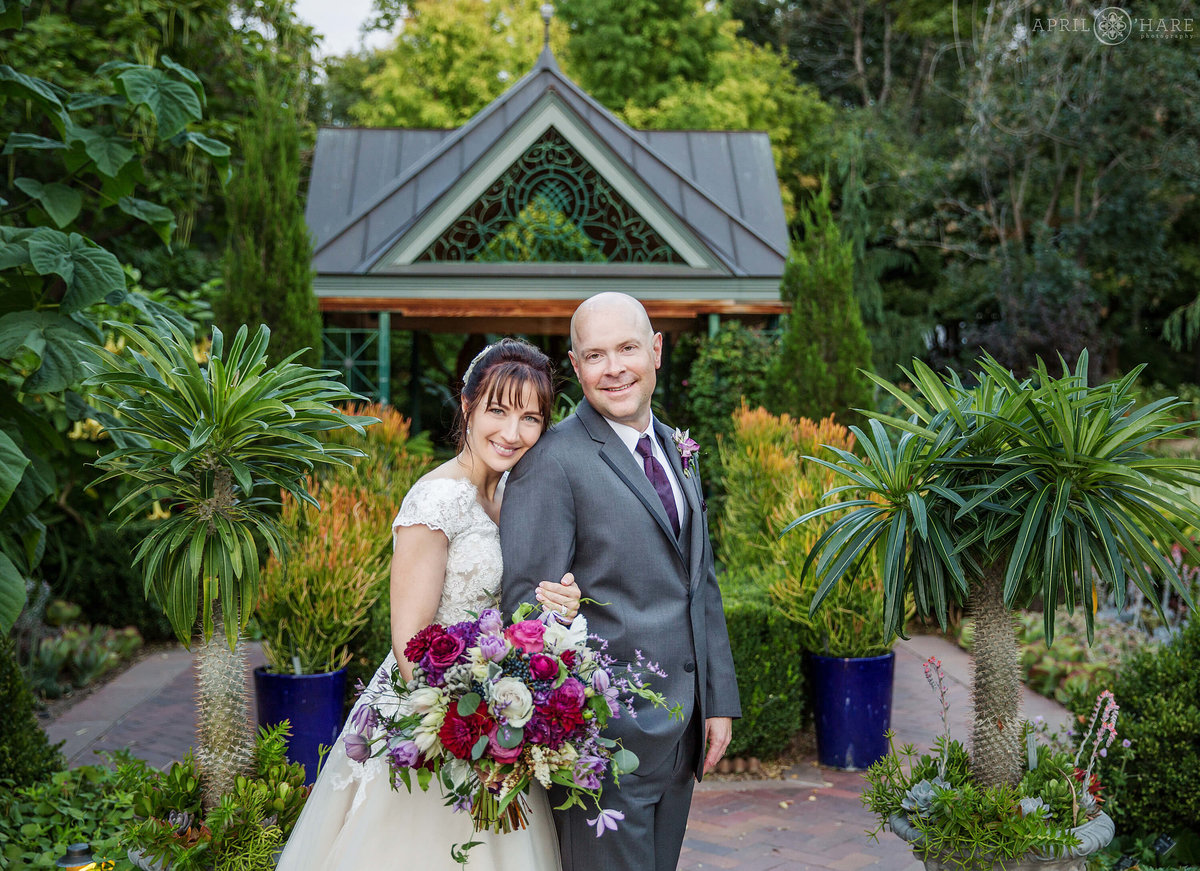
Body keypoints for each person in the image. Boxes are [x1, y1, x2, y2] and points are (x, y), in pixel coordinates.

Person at [277, 338, 580, 871]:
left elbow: (519, 601)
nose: (512, 433)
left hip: (500, 710)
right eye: (498, 411)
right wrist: (477, 719)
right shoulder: (435, 500)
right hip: (434, 718)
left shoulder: (515, 494)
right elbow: (412, 644)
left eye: (530, 418)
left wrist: (557, 605)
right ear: (467, 405)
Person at [500, 292, 741, 871]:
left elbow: (698, 583)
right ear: (576, 365)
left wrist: (718, 698)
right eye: (595, 355)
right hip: (602, 744)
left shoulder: (678, 449)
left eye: (628, 348)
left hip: (681, 732)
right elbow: (522, 610)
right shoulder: (551, 462)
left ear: (656, 351)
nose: (614, 369)